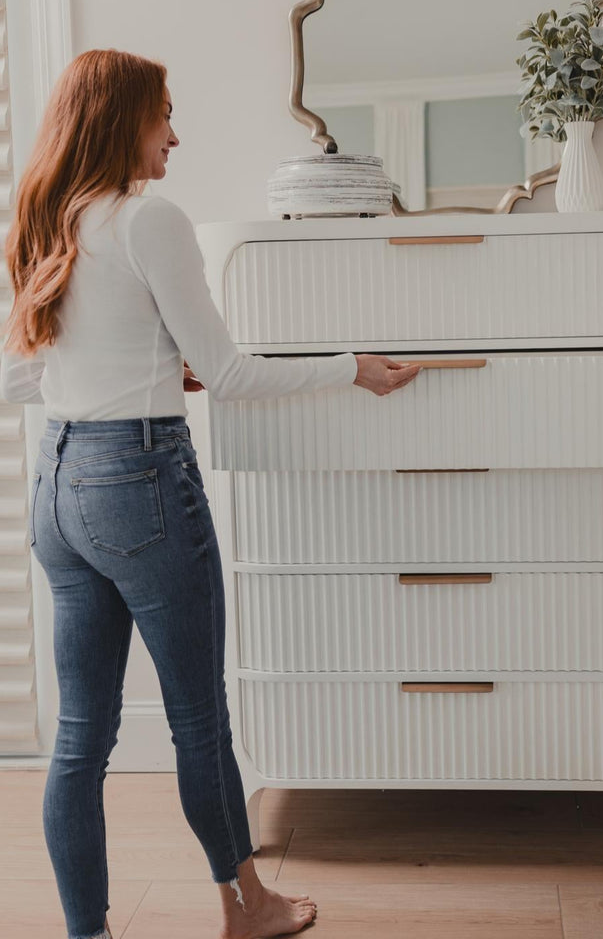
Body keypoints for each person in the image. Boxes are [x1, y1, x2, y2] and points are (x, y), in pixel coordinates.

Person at [0, 49, 420, 939]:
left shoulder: (49, 217)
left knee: (79, 740)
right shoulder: (148, 221)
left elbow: (30, 378)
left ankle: (87, 935)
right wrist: (355, 369)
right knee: (198, 716)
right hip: (140, 484)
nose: (175, 136)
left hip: (60, 489)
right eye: (163, 117)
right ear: (121, 121)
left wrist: (144, 372)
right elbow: (228, 374)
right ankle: (249, 908)